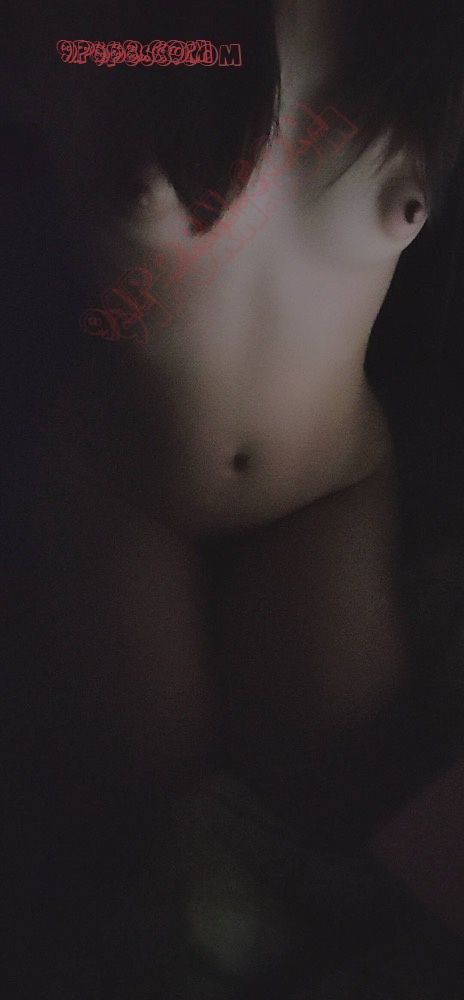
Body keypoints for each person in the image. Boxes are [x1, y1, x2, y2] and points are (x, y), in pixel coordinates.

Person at [3, 0, 464, 995]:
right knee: (132, 821)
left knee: (333, 800)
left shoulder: (420, 32)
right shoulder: (121, 29)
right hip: (124, 487)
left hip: (325, 486)